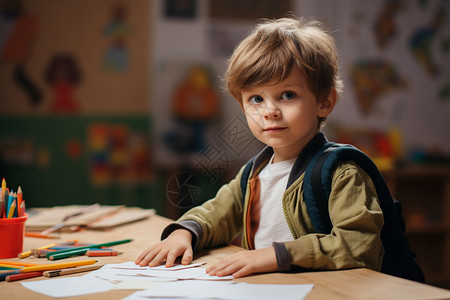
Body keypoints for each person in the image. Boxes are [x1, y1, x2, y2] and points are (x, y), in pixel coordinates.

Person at [135, 16, 384, 278]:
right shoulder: (254, 173)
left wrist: (278, 254)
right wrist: (183, 233)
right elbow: (216, 213)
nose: (269, 111)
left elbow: (359, 246)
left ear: (324, 101)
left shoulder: (340, 173)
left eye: (288, 95)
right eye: (256, 98)